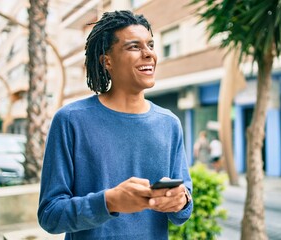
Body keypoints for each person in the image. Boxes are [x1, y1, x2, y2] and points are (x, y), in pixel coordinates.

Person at [37, 10, 193, 240]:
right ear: (107, 61)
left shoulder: (169, 123)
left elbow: (183, 210)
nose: (148, 53)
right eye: (134, 47)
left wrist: (181, 200)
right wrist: (109, 201)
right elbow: (50, 215)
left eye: (150, 45)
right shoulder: (70, 120)